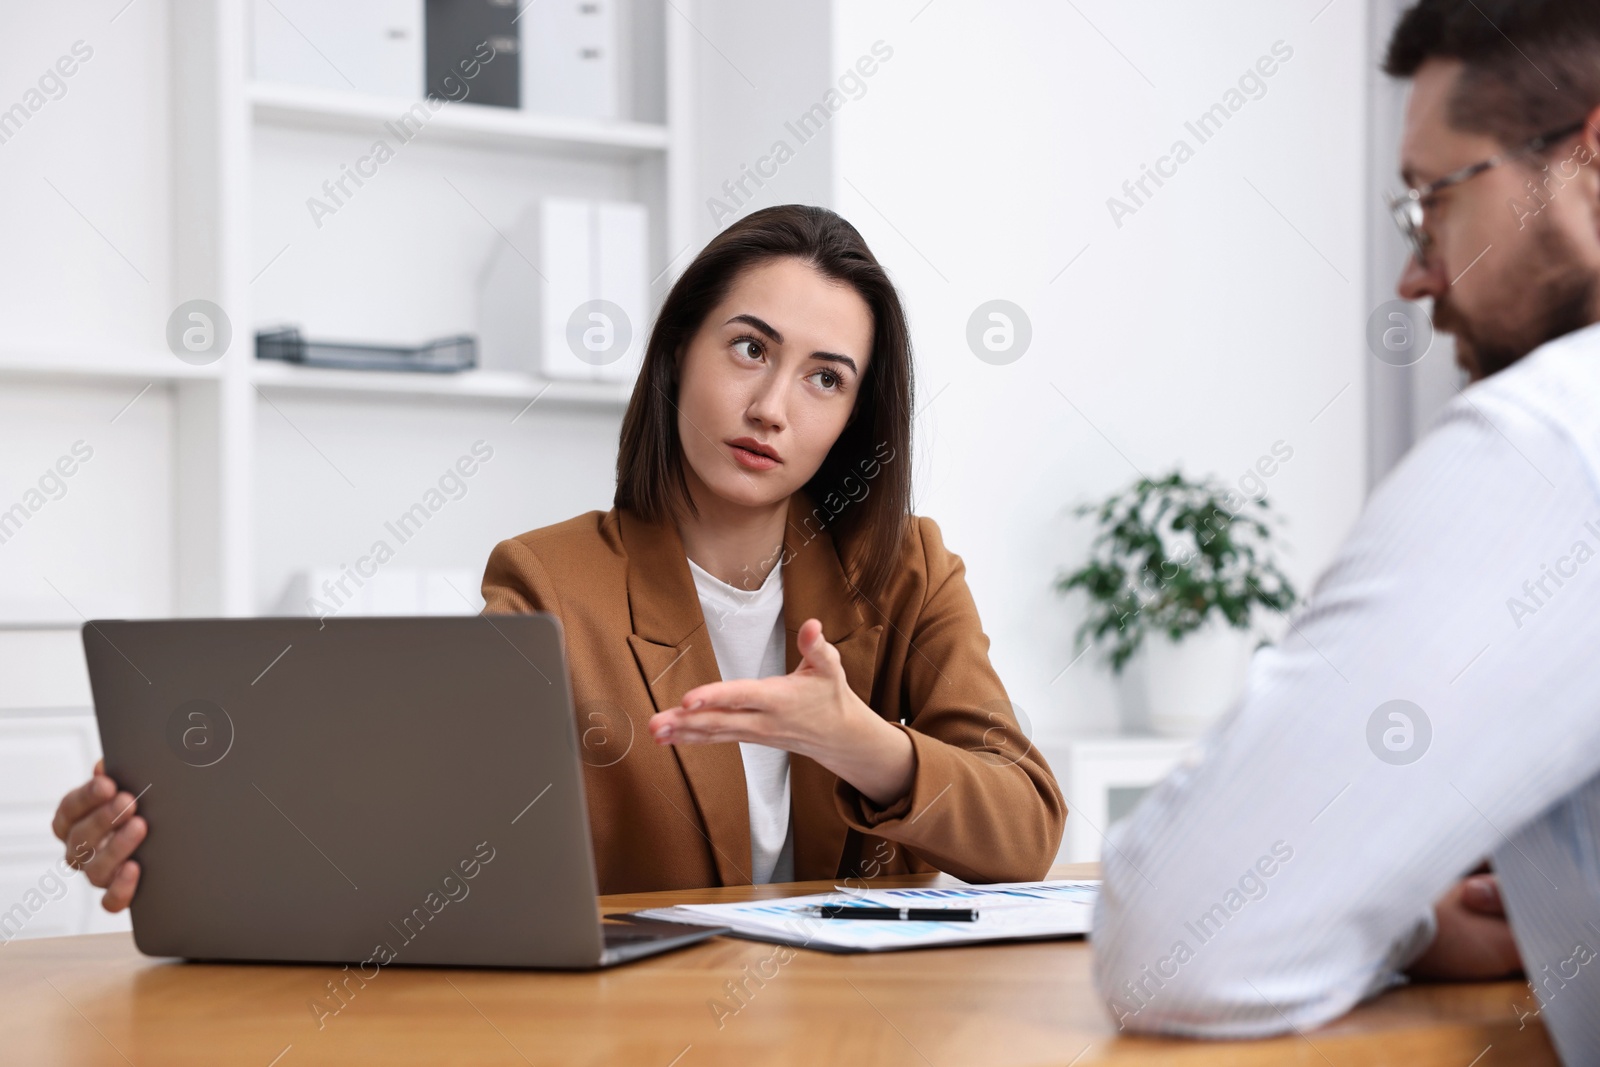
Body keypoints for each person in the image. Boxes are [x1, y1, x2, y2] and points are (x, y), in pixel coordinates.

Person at [51, 205, 1065, 904]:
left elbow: (1024, 830)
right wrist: (179, 838)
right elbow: (425, 820)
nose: (770, 406)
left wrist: (860, 742)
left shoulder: (909, 570)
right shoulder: (547, 580)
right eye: (749, 348)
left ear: (855, 414)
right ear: (677, 357)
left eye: (824, 378)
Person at [1091, 2, 1600, 1061]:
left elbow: (1180, 942)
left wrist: (1401, 912)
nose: (1415, 275)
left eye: (1434, 201)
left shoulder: (1556, 432)